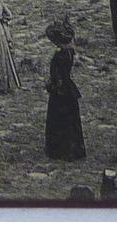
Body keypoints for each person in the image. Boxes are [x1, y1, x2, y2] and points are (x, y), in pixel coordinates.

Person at [44, 23, 86, 160]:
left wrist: (52, 85)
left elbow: (58, 75)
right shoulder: (69, 52)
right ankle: (73, 149)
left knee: (59, 120)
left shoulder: (59, 56)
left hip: (60, 90)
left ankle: (59, 150)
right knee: (71, 120)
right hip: (68, 88)